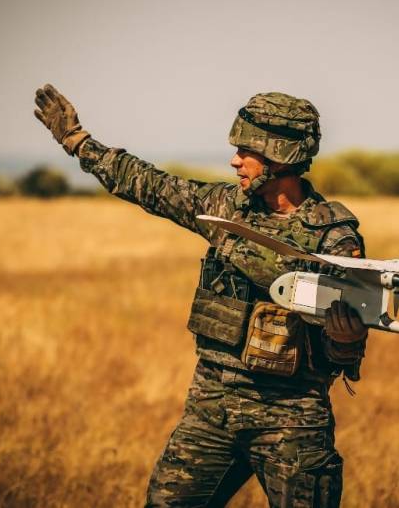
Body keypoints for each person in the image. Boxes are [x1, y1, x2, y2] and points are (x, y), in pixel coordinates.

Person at [34, 85, 369, 507]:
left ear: (279, 155)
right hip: (211, 412)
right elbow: (147, 184)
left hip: (292, 422)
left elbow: (345, 358)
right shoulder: (224, 209)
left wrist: (345, 340)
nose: (234, 161)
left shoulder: (334, 239)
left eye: (246, 151)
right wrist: (77, 141)